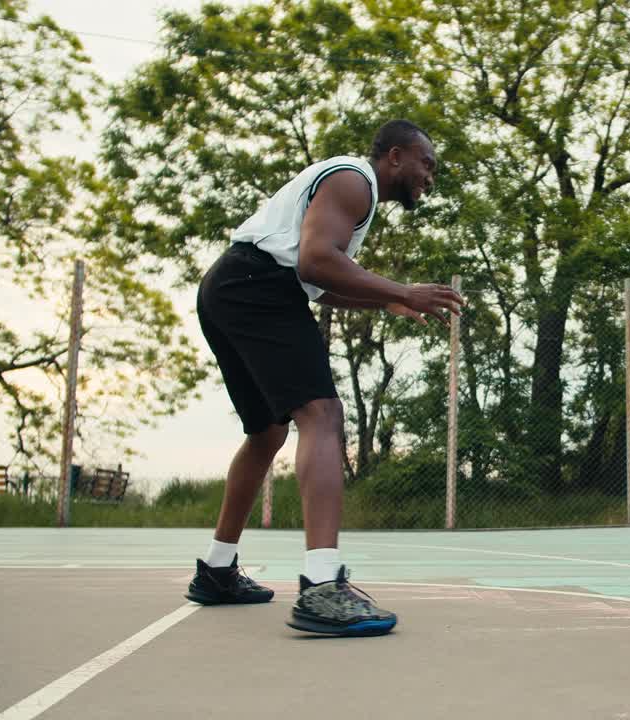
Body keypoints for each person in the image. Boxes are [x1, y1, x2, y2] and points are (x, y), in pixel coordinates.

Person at [184, 119, 464, 635]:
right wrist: (403, 290)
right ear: (396, 156)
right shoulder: (355, 181)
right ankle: (321, 589)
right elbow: (314, 263)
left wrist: (385, 299)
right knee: (323, 414)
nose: (432, 176)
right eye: (428, 163)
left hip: (230, 287)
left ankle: (218, 569)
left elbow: (316, 280)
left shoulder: (351, 192)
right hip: (257, 285)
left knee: (268, 431)